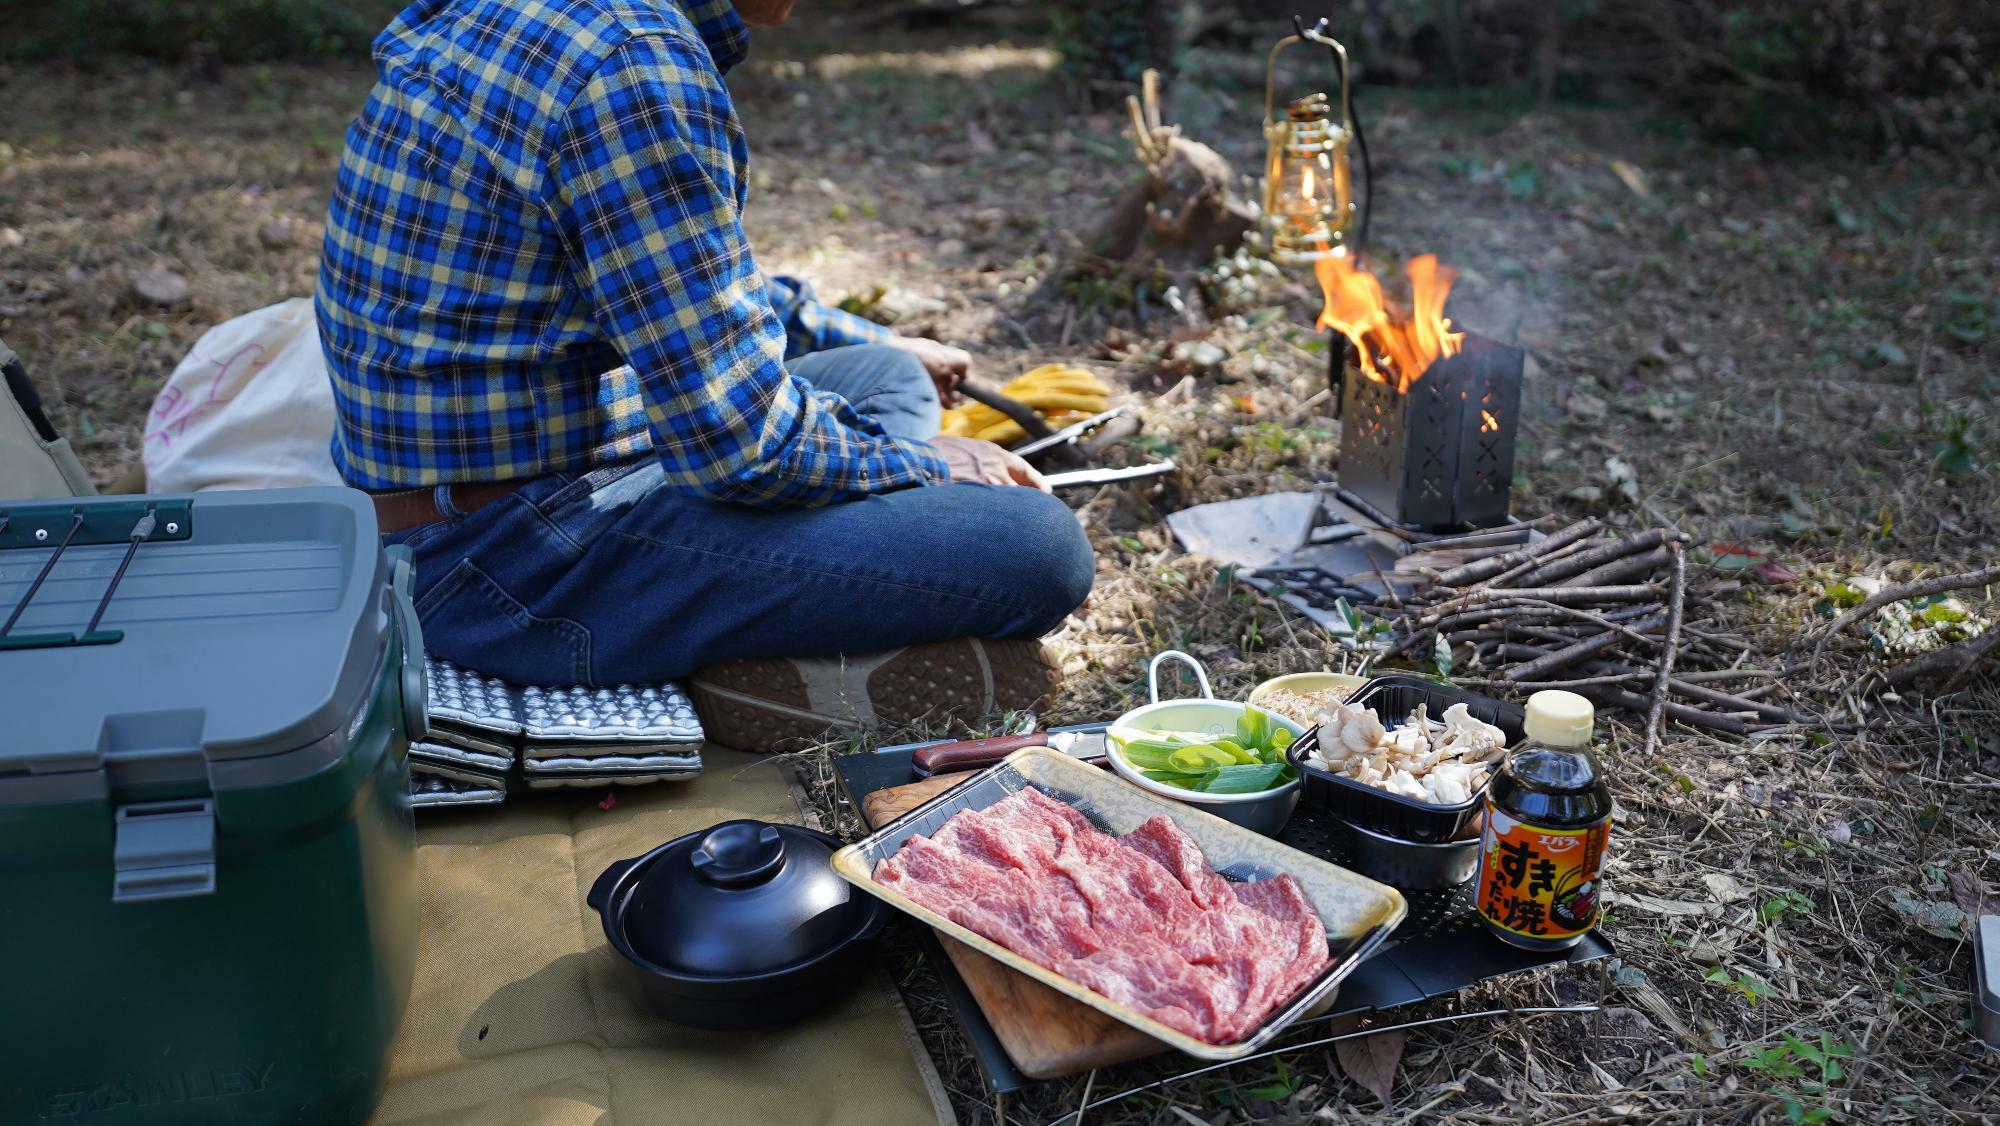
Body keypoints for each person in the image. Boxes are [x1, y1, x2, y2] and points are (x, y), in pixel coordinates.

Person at [315, 0, 1095, 750]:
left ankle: (796, 602)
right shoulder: (630, 60)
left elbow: (678, 283)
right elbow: (742, 448)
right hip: (509, 567)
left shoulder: (558, 19)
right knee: (1040, 548)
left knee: (886, 375)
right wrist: (928, 466)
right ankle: (773, 646)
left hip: (470, 507)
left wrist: (870, 338)